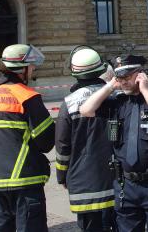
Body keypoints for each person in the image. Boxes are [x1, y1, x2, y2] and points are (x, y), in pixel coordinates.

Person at [80, 54, 148, 231]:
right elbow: (86, 110)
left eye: (127, 77)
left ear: (141, 74)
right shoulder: (118, 101)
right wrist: (111, 86)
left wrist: (145, 90)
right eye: (120, 77)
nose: (123, 82)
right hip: (126, 186)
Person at [0, 44, 54, 232]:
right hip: (25, 182)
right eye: (31, 66)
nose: (34, 69)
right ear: (22, 69)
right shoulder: (27, 97)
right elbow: (46, 142)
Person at [55, 46, 115, 231]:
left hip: (83, 175)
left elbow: (63, 144)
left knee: (90, 225)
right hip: (116, 171)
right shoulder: (114, 96)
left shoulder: (69, 103)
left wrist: (61, 174)